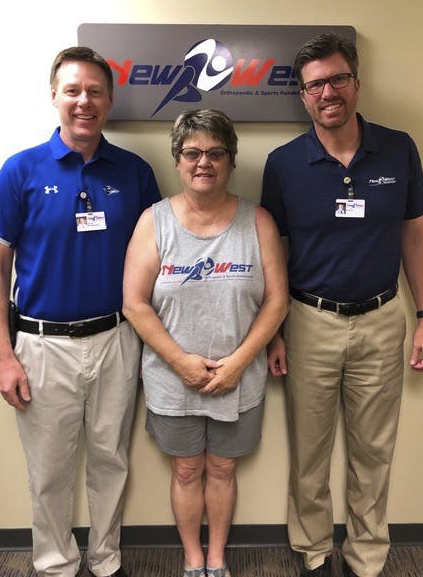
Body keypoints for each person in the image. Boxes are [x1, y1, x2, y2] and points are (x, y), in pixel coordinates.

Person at [261, 33, 423, 577]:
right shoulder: (283, 163)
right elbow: (274, 250)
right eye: (315, 85)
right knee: (308, 451)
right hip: (308, 320)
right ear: (303, 96)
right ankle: (314, 553)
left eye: (338, 79)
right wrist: (273, 329)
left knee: (374, 452)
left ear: (357, 84)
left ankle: (366, 557)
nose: (328, 93)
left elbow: (416, 236)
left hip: (383, 318)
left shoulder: (398, 149)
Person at [0, 46, 161, 577]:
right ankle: (55, 564)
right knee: (49, 471)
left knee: (112, 459)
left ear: (109, 100)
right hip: (41, 345)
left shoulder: (135, 173)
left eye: (94, 91)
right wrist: (4, 357)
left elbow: (156, 261)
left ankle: (106, 559)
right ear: (54, 96)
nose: (84, 101)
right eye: (73, 90)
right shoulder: (20, 171)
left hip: (116, 339)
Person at [123, 109, 288, 577]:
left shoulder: (258, 222)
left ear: (231, 161)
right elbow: (135, 304)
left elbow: (277, 301)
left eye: (216, 153)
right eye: (192, 152)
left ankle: (216, 556)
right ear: (177, 160)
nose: (204, 163)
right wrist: (180, 363)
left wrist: (238, 363)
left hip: (240, 376)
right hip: (172, 378)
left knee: (222, 469)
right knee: (186, 470)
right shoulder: (154, 222)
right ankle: (192, 557)